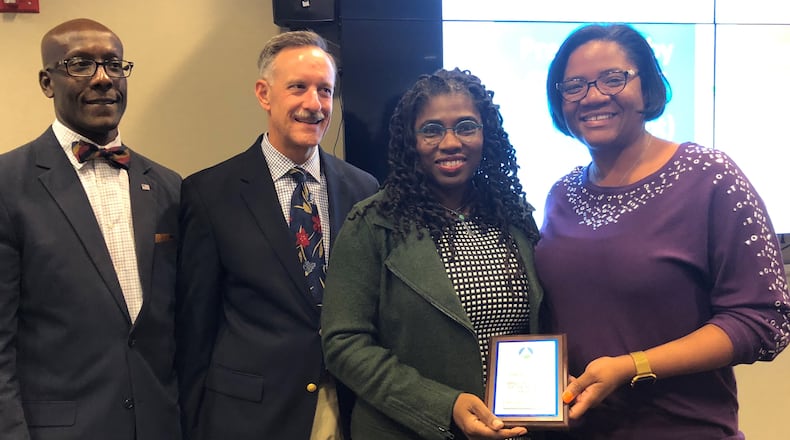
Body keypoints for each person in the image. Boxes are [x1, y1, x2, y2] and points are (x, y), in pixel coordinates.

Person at [536, 23, 790, 439]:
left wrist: (631, 367)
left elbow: (764, 321)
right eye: (575, 86)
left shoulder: (711, 176)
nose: (594, 96)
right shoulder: (561, 194)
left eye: (613, 79)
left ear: (648, 87)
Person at [175, 30, 378, 440]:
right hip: (250, 418)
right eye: (298, 88)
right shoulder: (210, 193)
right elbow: (194, 329)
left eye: (325, 90)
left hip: (350, 408)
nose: (314, 104)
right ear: (264, 94)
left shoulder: (363, 189)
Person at [320, 68, 544, 440]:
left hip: (514, 430)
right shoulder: (372, 223)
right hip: (410, 430)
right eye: (432, 129)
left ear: (486, 135)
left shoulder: (515, 217)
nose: (451, 142)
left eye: (466, 126)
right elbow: (343, 344)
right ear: (411, 141)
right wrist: (446, 405)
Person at [0, 18, 182, 440]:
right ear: (47, 82)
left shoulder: (169, 186)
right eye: (81, 64)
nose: (103, 79)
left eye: (114, 65)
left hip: (160, 424)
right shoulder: (8, 184)